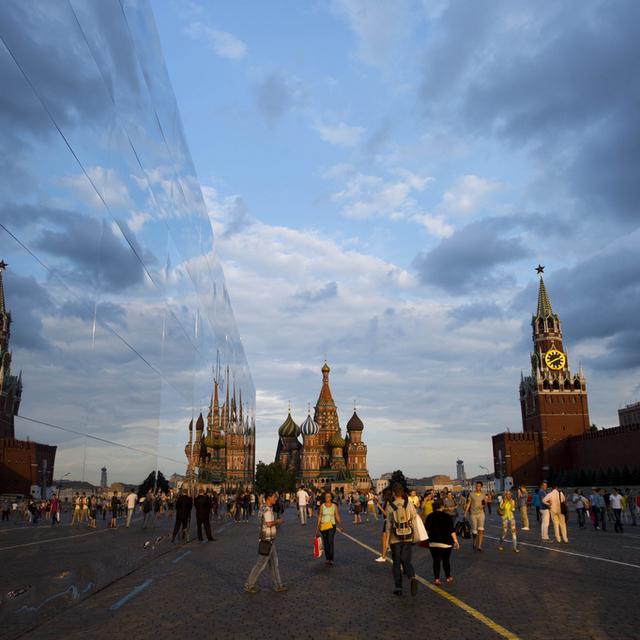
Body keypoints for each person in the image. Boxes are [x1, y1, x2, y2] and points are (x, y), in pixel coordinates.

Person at [245, 490, 287, 593]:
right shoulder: (267, 510)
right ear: (269, 498)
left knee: (273, 564)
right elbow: (268, 524)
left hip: (268, 539)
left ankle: (278, 585)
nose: (275, 499)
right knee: (260, 564)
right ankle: (249, 585)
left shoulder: (263, 507)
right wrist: (278, 521)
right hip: (267, 540)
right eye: (274, 497)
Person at [385, 483, 418, 597]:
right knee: (406, 561)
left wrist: (387, 541)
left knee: (396, 562)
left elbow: (388, 525)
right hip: (407, 536)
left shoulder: (390, 506)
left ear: (394, 493)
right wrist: (415, 535)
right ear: (403, 493)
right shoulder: (408, 504)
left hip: (395, 538)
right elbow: (414, 519)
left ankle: (398, 587)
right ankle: (412, 577)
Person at [425, 499, 460, 585]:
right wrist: (456, 541)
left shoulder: (429, 516)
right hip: (446, 543)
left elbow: (427, 530)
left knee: (436, 560)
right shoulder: (447, 517)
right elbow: (452, 531)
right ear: (442, 507)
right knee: (446, 560)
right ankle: (448, 577)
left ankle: (437, 579)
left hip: (433, 542)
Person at [316, 491, 343, 566]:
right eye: (326, 497)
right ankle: (327, 558)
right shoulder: (322, 506)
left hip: (332, 525)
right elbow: (319, 517)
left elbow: (337, 516)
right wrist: (317, 529)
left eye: (328, 496)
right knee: (325, 542)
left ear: (331, 498)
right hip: (323, 526)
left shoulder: (334, 506)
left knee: (330, 541)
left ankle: (331, 558)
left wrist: (340, 526)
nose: (327, 498)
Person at [464, 481, 487, 551]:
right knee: (474, 531)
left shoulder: (483, 494)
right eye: (476, 486)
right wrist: (465, 513)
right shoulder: (471, 494)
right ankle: (474, 541)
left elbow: (485, 503)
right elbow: (469, 504)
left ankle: (479, 546)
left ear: (481, 487)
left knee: (481, 530)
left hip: (481, 514)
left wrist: (483, 505)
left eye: (479, 486)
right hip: (473, 514)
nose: (477, 487)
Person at [375, 487, 393, 562]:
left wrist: (379, 507)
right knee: (388, 540)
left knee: (384, 539)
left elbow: (387, 514)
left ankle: (383, 556)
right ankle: (387, 551)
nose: (382, 495)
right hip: (390, 521)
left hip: (387, 521)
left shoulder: (388, 503)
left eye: (383, 494)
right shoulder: (389, 501)